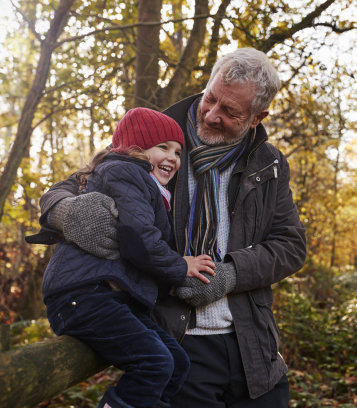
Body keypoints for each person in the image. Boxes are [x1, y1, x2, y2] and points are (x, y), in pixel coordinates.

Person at [31, 48, 307, 407]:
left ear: (257, 118)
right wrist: (66, 213)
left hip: (253, 346)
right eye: (211, 99)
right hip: (179, 337)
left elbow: (291, 244)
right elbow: (68, 186)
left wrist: (230, 274)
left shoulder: (268, 163)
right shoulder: (155, 137)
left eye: (230, 111)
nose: (211, 114)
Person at [37, 107, 216, 408]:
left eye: (177, 151)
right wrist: (180, 266)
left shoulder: (152, 187)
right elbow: (138, 238)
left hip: (114, 299)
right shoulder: (126, 172)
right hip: (83, 295)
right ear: (135, 148)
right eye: (163, 147)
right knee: (155, 363)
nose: (173, 157)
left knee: (176, 363)